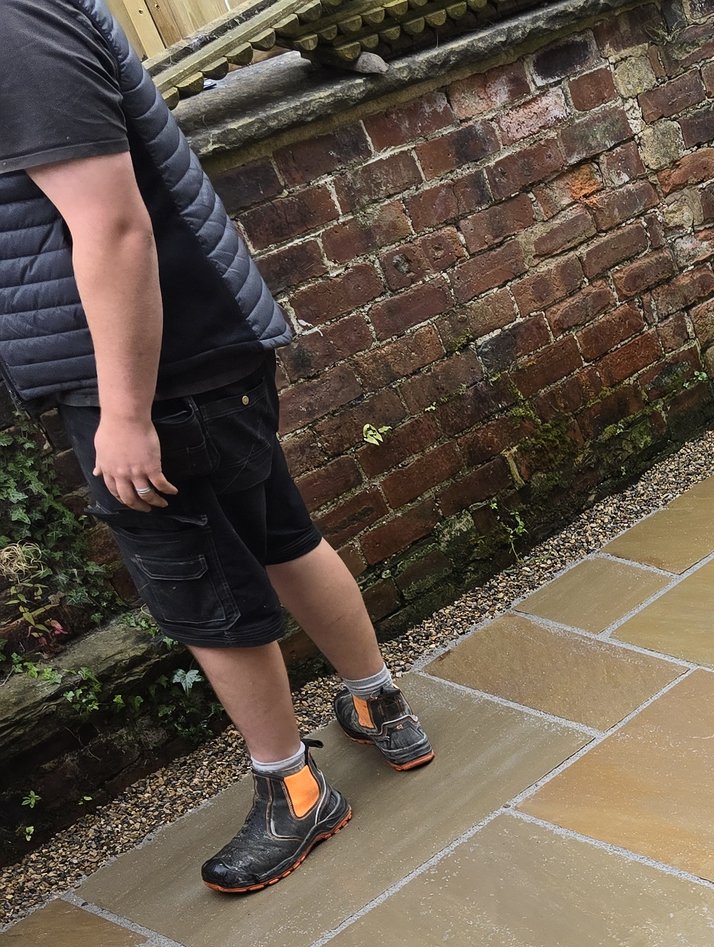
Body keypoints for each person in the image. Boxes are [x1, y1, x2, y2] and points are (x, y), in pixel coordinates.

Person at [0, 0, 432, 893]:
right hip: (194, 355)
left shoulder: (12, 23)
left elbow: (113, 225)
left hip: (147, 376)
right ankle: (378, 701)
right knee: (282, 537)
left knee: (202, 591)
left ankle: (293, 787)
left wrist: (124, 414)